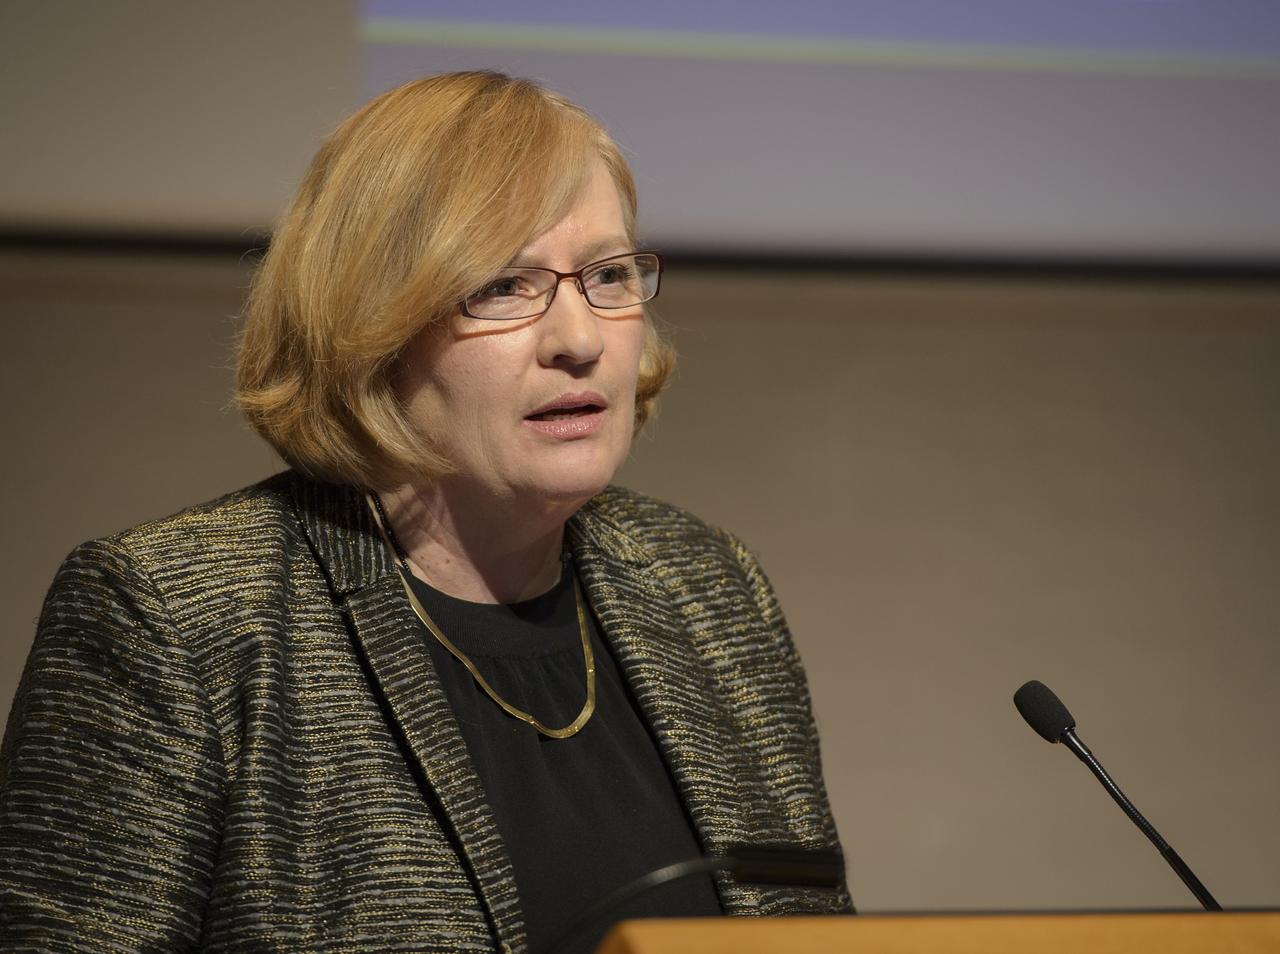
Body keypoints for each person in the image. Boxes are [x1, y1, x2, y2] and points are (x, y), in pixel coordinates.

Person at [0, 71, 852, 952]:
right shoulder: (176, 617)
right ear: (372, 322)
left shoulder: (704, 587)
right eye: (503, 286)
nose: (582, 339)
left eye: (607, 275)